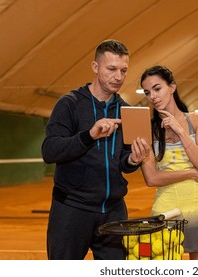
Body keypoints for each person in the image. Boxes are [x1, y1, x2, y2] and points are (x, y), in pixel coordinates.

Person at [41, 39, 147, 260]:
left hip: (114, 212)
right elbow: (49, 151)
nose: (118, 76)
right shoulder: (69, 104)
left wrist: (134, 160)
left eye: (123, 70)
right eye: (111, 69)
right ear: (95, 67)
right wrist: (88, 136)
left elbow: (124, 163)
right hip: (71, 210)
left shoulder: (128, 111)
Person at [131, 65, 198, 260]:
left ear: (172, 87)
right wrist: (191, 174)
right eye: (147, 92)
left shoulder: (197, 121)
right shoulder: (146, 128)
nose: (152, 96)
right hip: (166, 210)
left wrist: (180, 131)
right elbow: (152, 178)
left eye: (157, 89)